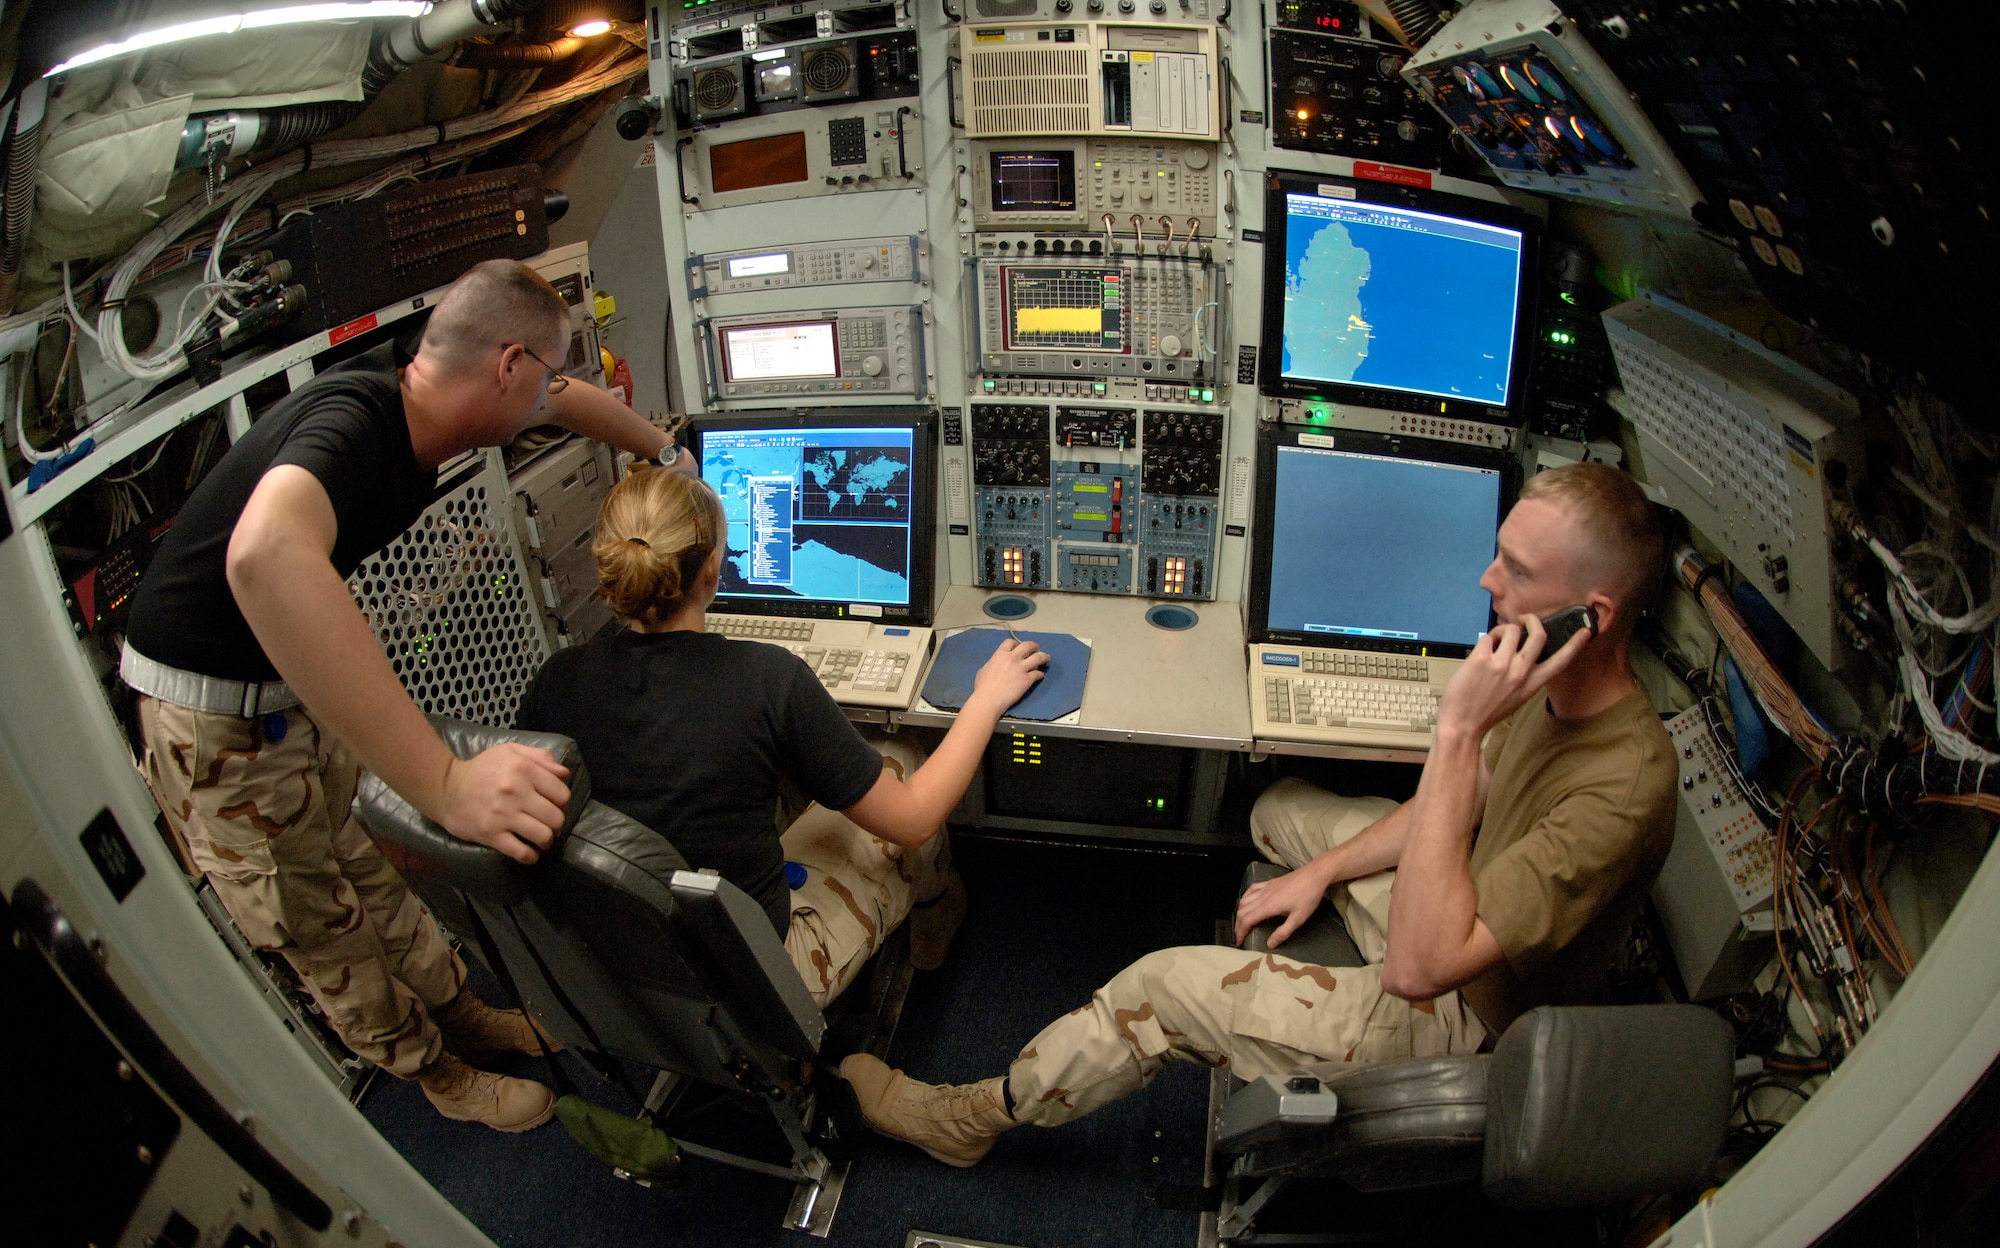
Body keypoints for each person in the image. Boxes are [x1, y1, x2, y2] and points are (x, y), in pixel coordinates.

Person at [842, 462, 1677, 1166]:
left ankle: (975, 1118)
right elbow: (1448, 812)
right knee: (1278, 810)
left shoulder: (1622, 788)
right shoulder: (1551, 684)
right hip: (1463, 900)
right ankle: (1312, 868)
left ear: (1588, 617)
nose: (1487, 583)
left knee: (1157, 987)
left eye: (1518, 572)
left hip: (1462, 1008)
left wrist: (1458, 727)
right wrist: (1317, 872)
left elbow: (1420, 968)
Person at [126, 260, 691, 1133]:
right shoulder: (352, 424)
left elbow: (569, 397)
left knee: (367, 866)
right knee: (316, 915)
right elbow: (264, 556)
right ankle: (431, 1070)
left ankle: (460, 1012)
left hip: (287, 683)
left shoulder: (429, 383)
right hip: (213, 718)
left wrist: (662, 451)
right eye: (540, 374)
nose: (552, 393)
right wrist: (445, 784)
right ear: (505, 366)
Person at [513, 468, 1049, 1008]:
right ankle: (936, 915)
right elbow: (911, 821)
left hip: (614, 964)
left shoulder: (555, 681)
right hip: (756, 977)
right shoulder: (764, 679)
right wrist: (985, 700)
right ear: (712, 571)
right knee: (899, 753)